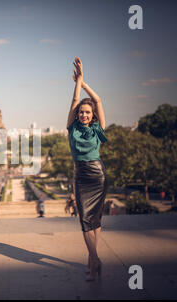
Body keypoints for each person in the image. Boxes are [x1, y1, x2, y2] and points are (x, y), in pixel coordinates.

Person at [67, 57, 108, 281]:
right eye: (81, 112)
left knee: (96, 221)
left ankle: (92, 264)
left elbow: (99, 101)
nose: (83, 114)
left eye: (87, 113)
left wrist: (84, 82)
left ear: (92, 116)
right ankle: (96, 259)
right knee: (85, 221)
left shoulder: (98, 129)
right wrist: (77, 84)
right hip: (81, 176)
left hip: (97, 175)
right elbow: (74, 101)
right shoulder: (71, 128)